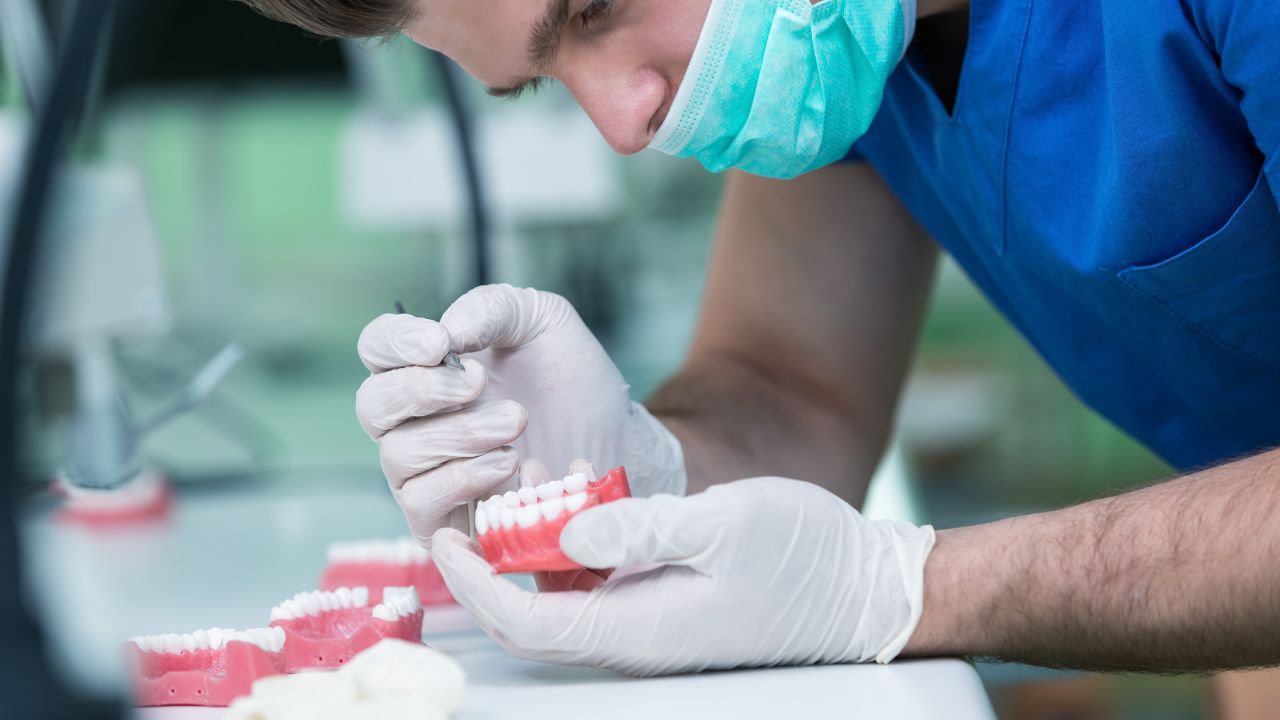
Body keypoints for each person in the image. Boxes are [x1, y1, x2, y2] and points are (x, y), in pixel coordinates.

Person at [244, 0, 1280, 677]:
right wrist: (642, 470)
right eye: (542, 78)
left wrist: (909, 588)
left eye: (596, 7)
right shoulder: (843, 42)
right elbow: (790, 392)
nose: (621, 122)